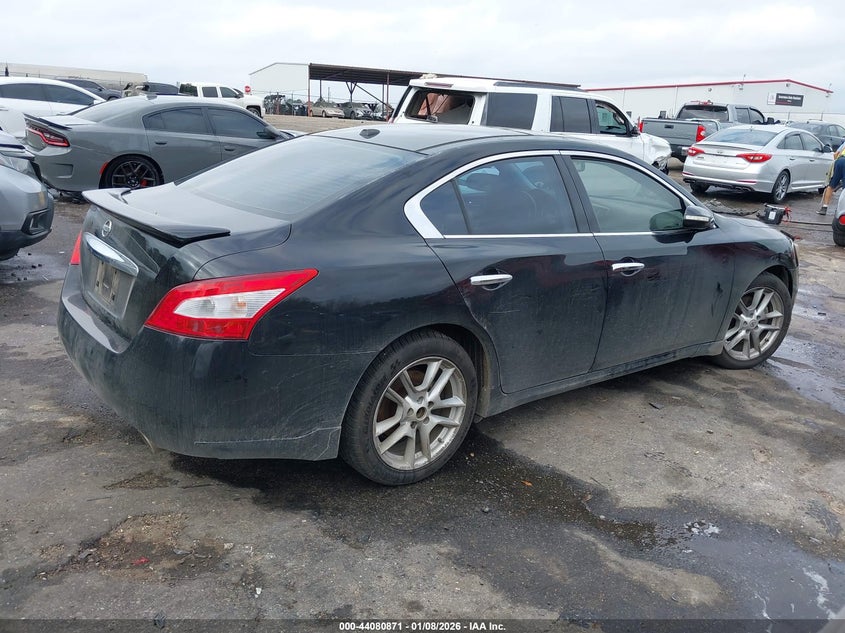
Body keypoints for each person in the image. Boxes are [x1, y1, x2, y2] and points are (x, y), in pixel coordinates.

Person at [819, 139, 845, 215]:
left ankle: (824, 208)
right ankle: (841, 210)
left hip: (840, 161)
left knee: (831, 186)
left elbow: (835, 154)